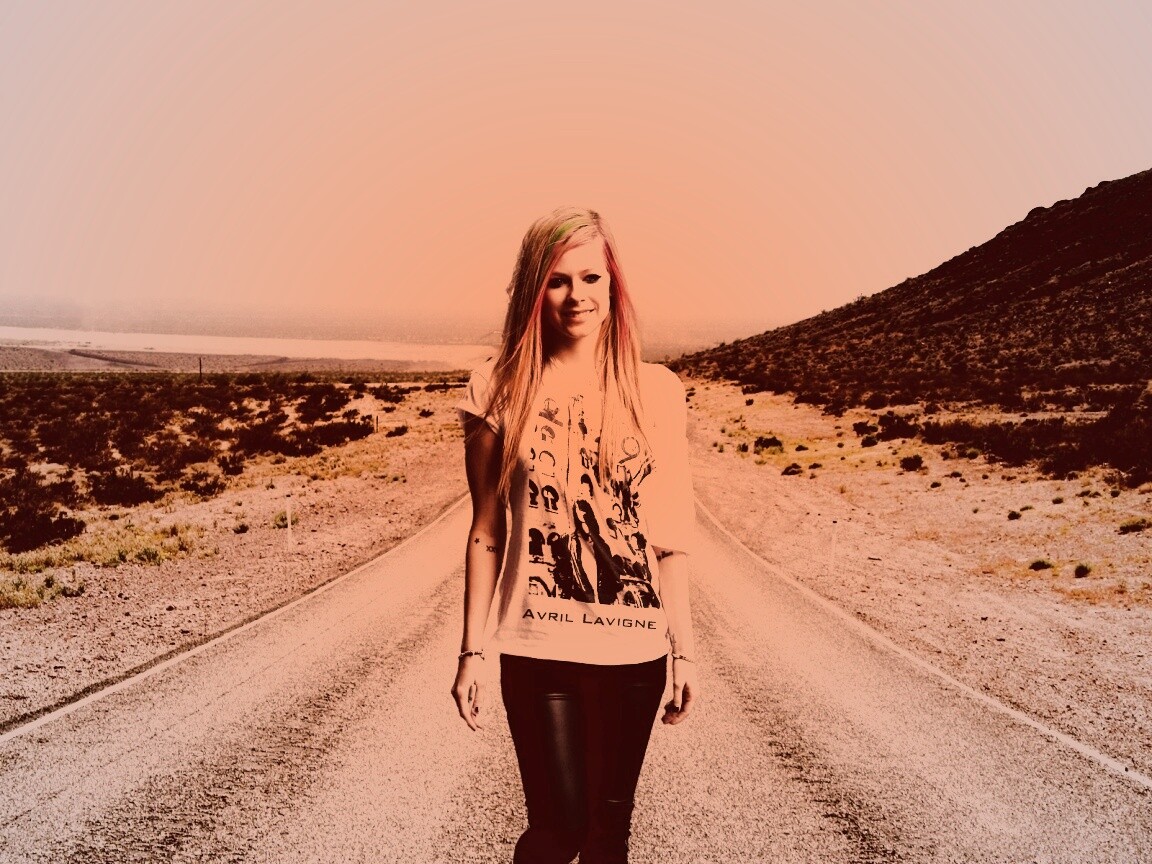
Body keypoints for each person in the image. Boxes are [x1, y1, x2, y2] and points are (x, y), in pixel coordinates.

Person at [451, 206, 698, 864]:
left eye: (591, 278)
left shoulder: (657, 390)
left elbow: (668, 536)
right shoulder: (497, 387)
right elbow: (486, 531)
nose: (576, 295)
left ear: (613, 286)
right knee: (557, 829)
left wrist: (685, 652)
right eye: (557, 281)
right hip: (539, 649)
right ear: (535, 290)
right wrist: (471, 652)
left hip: (635, 653)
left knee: (608, 836)